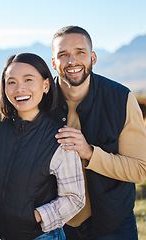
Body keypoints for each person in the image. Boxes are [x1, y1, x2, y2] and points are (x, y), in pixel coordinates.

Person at [50, 25, 146, 239]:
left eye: (80, 53)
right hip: (56, 227)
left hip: (114, 225)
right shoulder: (40, 100)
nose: (72, 61)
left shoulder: (121, 99)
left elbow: (140, 169)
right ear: (54, 63)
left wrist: (90, 154)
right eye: (63, 55)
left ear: (93, 57)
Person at [0, 53, 85, 240]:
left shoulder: (60, 138)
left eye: (28, 80)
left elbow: (74, 199)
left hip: (40, 236)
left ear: (46, 85)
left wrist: (35, 217)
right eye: (11, 82)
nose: (19, 88)